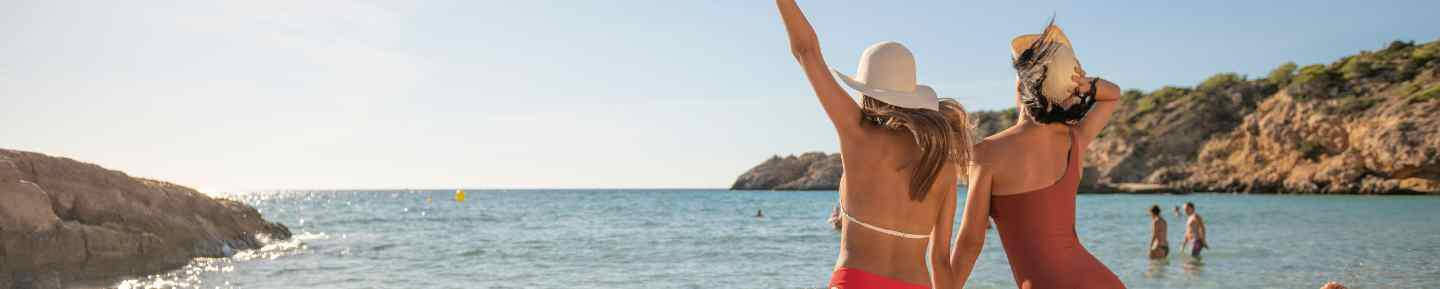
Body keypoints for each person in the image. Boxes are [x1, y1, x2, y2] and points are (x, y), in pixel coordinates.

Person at [776, 1, 976, 288]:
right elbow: (941, 261)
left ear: (867, 93)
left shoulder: (858, 135)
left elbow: (806, 51)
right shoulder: (941, 164)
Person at [945, 20, 1126, 289]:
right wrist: (1084, 85)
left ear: (1022, 85)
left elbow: (971, 243)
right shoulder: (1075, 139)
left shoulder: (987, 154)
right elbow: (1113, 94)